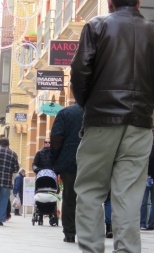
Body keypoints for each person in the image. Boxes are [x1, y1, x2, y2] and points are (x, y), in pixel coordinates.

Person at [70, 1, 154, 251]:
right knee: (129, 195)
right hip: (139, 122)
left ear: (109, 3)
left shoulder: (96, 26)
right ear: (139, 2)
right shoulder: (152, 30)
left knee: (90, 190)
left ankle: (91, 248)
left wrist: (87, 104)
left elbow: (79, 70)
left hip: (101, 120)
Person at [49, 103, 83, 243]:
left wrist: (55, 159)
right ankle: (88, 231)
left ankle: (69, 232)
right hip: (92, 160)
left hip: (69, 161)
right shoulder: (97, 109)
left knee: (69, 198)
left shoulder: (65, 113)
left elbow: (56, 138)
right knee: (90, 198)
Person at [140, 129, 154, 230]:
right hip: (145, 177)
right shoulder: (145, 147)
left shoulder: (144, 147)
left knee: (146, 202)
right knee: (144, 202)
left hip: (147, 177)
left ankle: (148, 224)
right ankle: (144, 223)